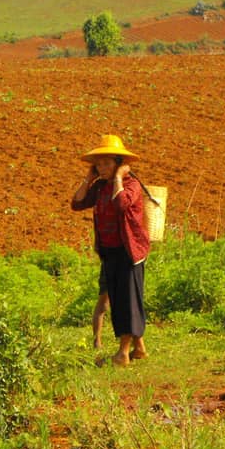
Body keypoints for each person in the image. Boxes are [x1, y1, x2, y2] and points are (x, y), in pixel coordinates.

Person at [71, 134, 150, 366]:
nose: (102, 167)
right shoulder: (100, 187)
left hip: (129, 252)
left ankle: (123, 353)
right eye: (98, 164)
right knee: (119, 300)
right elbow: (77, 203)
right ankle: (139, 348)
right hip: (110, 252)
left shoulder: (131, 186)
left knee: (127, 301)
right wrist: (88, 178)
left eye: (107, 163)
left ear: (118, 163)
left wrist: (118, 177)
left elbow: (121, 204)